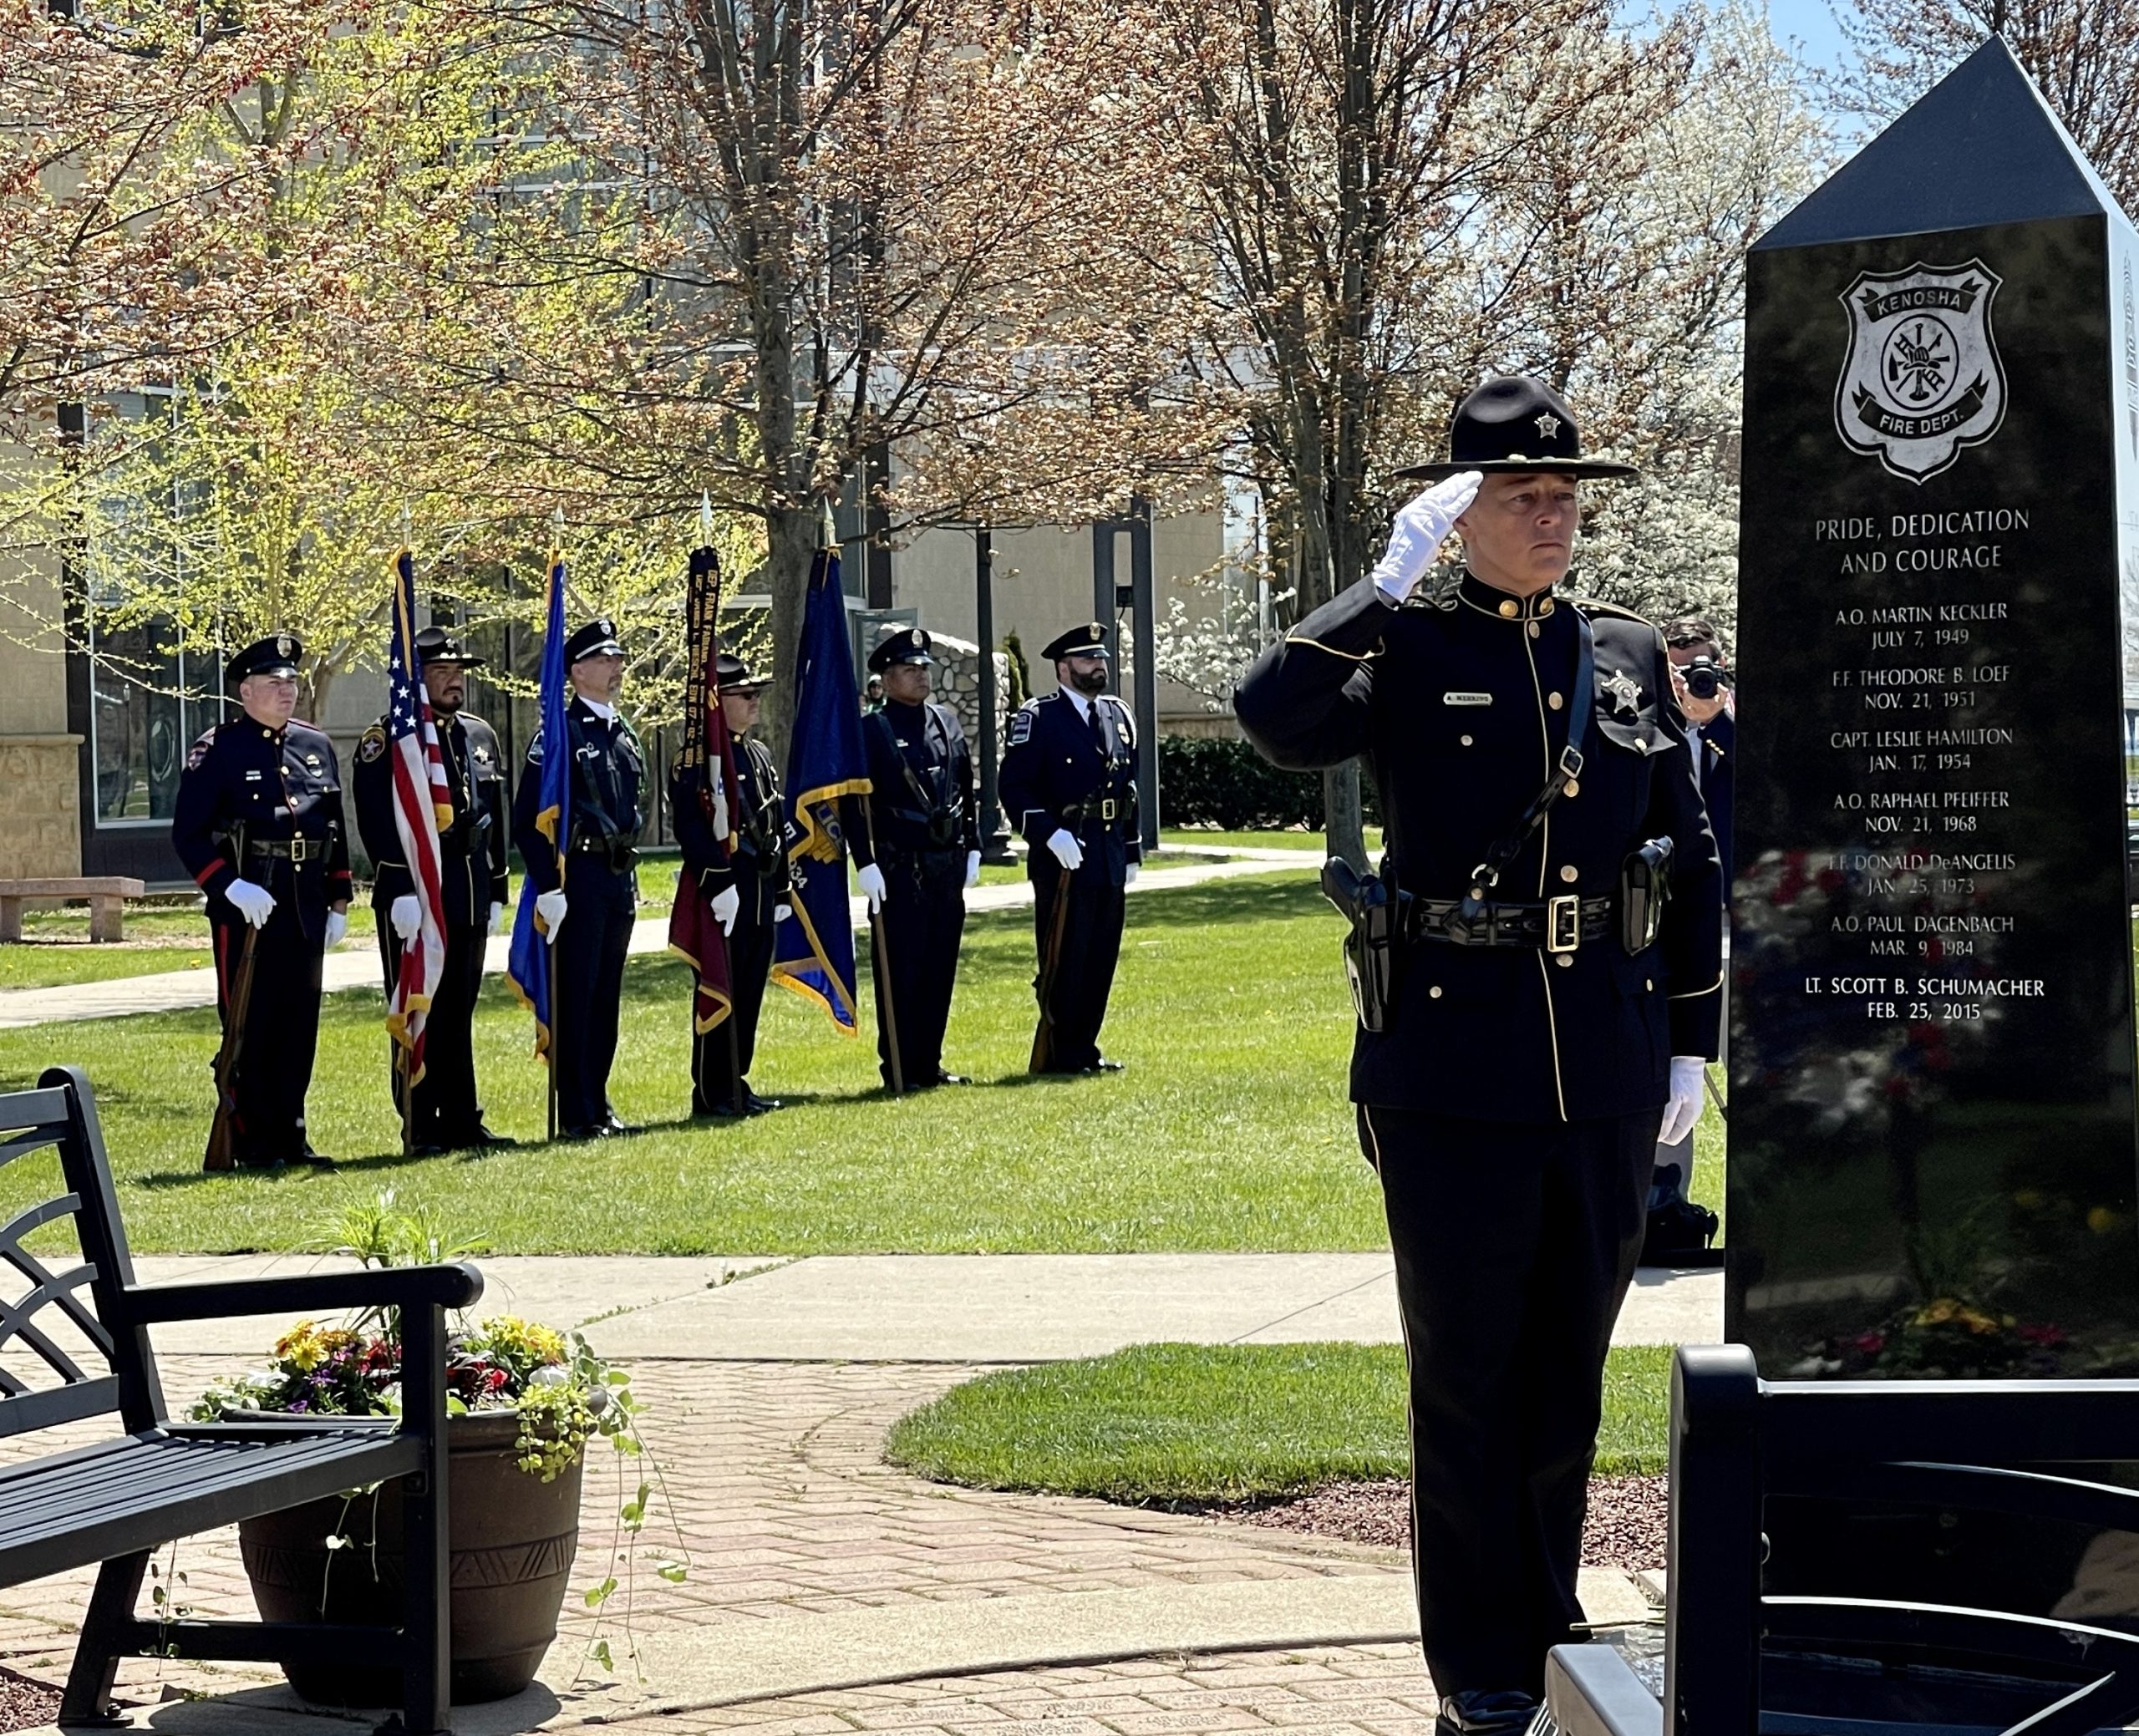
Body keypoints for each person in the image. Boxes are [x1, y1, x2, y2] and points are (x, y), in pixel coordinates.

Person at [1234, 375, 1723, 1734]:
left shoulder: (1620, 654)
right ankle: (1479, 1664)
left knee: (1570, 1360)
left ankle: (1551, 1615)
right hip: (1453, 1069)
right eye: (1524, 497)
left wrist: (1692, 1042)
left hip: (1610, 1070)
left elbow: (1690, 859)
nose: (1555, 517)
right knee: (1466, 1371)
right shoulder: (1405, 648)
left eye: (1567, 496)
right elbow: (1273, 715)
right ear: (1463, 515)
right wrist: (1380, 586)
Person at [170, 633, 352, 1170]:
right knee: (252, 1022)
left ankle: (290, 1134)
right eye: (274, 683)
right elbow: (189, 835)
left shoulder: (315, 746)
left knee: (299, 1022)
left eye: (291, 682)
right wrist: (227, 884)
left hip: (305, 903)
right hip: (247, 907)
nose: (287, 691)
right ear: (245, 692)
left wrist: (339, 899)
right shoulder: (219, 750)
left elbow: (334, 828)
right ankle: (249, 1138)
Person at [353, 626, 514, 1155]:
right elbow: (377, 819)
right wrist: (397, 883)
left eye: (458, 673)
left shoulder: (478, 734)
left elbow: (495, 817)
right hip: (418, 892)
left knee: (459, 1008)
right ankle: (421, 1122)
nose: (453, 683)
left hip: (466, 886)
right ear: (416, 678)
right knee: (421, 1004)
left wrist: (495, 887)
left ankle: (463, 1117)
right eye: (441, 673)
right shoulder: (389, 740)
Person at [512, 617, 644, 1139]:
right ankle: (576, 1110)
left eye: (617, 659)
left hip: (617, 878)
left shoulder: (623, 733)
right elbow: (528, 819)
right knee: (578, 996)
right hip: (579, 877)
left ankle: (599, 1101)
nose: (615, 668)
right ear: (576, 671)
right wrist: (548, 885)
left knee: (606, 995)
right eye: (604, 660)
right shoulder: (559, 736)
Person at [997, 621, 1141, 1074]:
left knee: (1101, 956)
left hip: (1108, 854)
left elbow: (1129, 787)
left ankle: (1086, 1048)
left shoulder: (1117, 715)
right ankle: (1061, 1051)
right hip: (1062, 858)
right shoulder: (1039, 719)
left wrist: (1132, 847)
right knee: (1065, 956)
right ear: (1063, 668)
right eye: (1087, 659)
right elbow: (1014, 788)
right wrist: (1048, 833)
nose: (1098, 666)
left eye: (1100, 659)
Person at [844, 627, 980, 1091]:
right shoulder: (870, 730)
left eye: (924, 668)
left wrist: (975, 843)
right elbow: (853, 803)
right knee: (902, 971)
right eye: (909, 669)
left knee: (940, 968)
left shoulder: (946, 721)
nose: (921, 676)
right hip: (899, 869)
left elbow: (965, 786)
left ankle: (930, 1063)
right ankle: (900, 1068)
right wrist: (863, 861)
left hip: (945, 864)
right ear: (887, 675)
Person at [1643, 617, 1735, 1261]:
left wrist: (1721, 717)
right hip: (1667, 926)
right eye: (1677, 668)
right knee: (1670, 1068)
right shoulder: (1644, 733)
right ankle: (1663, 1207)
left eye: (1701, 666)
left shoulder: (1744, 735)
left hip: (1745, 922)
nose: (1690, 681)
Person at [674, 652, 790, 1117]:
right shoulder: (699, 759)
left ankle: (737, 1080)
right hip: (725, 893)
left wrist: (781, 889)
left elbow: (774, 821)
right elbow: (690, 825)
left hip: (759, 892)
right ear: (718, 701)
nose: (755, 702)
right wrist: (717, 880)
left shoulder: (756, 752)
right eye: (746, 695)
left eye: (757, 693)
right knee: (719, 988)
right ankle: (711, 1090)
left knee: (749, 990)